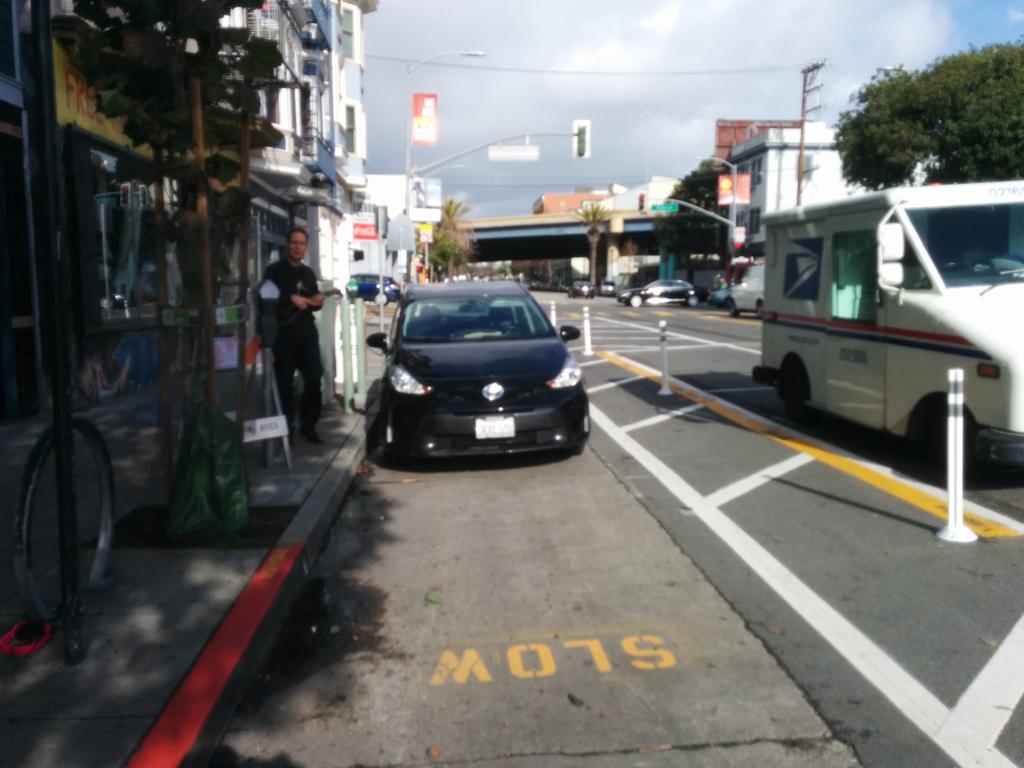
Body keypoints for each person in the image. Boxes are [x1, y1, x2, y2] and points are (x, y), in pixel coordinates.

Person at [263, 227, 325, 443]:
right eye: (294, 242)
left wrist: (318, 301)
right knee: (284, 382)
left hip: (307, 333)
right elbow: (266, 297)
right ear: (287, 244)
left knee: (314, 377)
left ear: (306, 247)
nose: (298, 247)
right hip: (284, 334)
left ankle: (309, 425)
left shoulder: (308, 273)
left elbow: (312, 302)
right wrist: (289, 298)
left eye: (302, 243)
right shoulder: (274, 270)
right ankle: (286, 426)